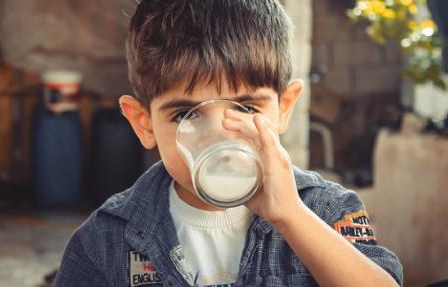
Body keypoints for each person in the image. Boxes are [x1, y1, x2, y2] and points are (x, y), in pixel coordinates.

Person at [53, 0, 403, 286]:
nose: (219, 135)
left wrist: (291, 216)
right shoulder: (105, 241)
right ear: (144, 124)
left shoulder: (327, 211)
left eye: (245, 108)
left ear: (283, 108)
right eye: (185, 114)